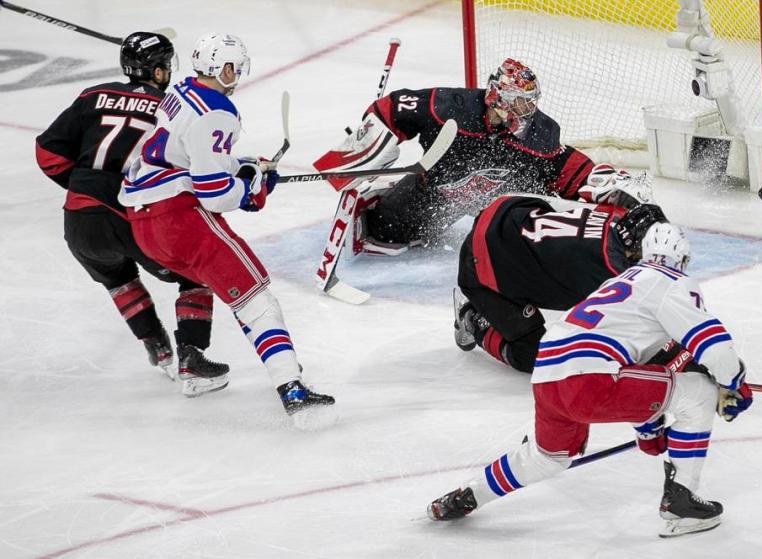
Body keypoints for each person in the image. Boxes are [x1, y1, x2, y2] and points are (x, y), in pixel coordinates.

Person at [427, 223, 754, 537]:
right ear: (683, 258)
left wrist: (649, 427)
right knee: (699, 392)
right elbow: (712, 343)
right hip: (591, 380)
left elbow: (638, 371)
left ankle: (469, 494)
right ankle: (680, 503)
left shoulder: (621, 284)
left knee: (548, 458)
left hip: (547, 378)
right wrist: (733, 383)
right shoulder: (671, 282)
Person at [118, 33, 334, 422]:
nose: (238, 74)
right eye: (236, 66)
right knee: (257, 299)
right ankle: (292, 388)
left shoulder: (183, 90)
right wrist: (252, 191)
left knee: (219, 285)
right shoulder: (218, 110)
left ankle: (194, 367)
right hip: (179, 219)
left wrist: (242, 165)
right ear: (226, 68)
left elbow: (189, 154)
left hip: (143, 222)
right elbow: (214, 194)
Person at [35, 31, 228, 397]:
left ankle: (156, 345)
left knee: (117, 278)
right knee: (196, 273)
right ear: (157, 71)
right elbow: (188, 169)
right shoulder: (172, 108)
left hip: (78, 219)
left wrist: (83, 186)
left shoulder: (93, 95)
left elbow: (48, 153)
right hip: (130, 214)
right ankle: (191, 357)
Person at [313, 59, 648, 255]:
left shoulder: (538, 133)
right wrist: (370, 148)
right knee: (387, 232)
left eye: (530, 102)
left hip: (490, 209)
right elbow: (390, 108)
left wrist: (603, 187)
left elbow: (562, 167)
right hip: (431, 195)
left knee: (521, 244)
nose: (526, 110)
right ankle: (381, 198)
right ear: (496, 96)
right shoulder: (450, 107)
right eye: (518, 102)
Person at [454, 177, 667, 373]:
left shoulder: (617, 216)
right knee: (532, 356)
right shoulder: (611, 273)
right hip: (480, 265)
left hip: (507, 210)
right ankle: (473, 318)